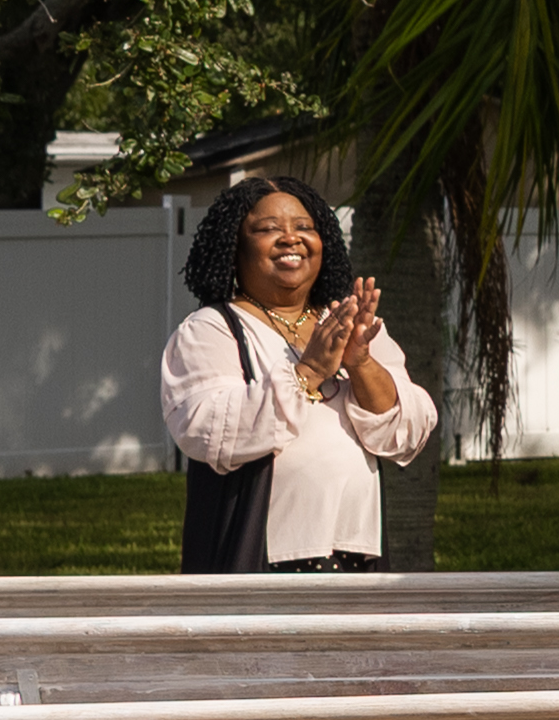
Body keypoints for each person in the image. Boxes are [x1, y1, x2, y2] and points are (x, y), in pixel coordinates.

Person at [161, 173, 432, 573]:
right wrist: (308, 371)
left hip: (356, 550)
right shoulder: (211, 329)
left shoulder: (349, 322)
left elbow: (404, 432)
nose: (291, 238)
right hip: (260, 555)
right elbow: (208, 431)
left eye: (305, 227)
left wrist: (360, 363)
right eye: (268, 229)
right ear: (234, 247)